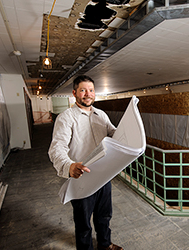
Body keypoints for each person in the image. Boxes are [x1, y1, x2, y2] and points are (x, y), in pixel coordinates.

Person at [48, 75, 122, 250]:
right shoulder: (66, 118)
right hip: (82, 177)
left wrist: (130, 136)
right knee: (83, 224)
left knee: (104, 217)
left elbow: (114, 134)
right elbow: (57, 148)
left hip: (104, 176)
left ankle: (105, 244)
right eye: (83, 90)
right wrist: (69, 166)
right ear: (75, 93)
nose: (87, 94)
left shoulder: (101, 115)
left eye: (91, 90)